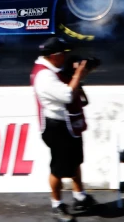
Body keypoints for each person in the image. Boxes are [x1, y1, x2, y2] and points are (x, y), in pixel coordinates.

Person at [31, 37, 98, 221]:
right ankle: (57, 205)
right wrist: (77, 75)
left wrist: (81, 69)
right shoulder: (44, 77)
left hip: (69, 123)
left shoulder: (54, 66)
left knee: (76, 160)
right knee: (58, 170)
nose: (66, 56)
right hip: (56, 127)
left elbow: (67, 76)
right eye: (64, 53)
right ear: (54, 56)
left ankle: (80, 197)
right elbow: (68, 95)